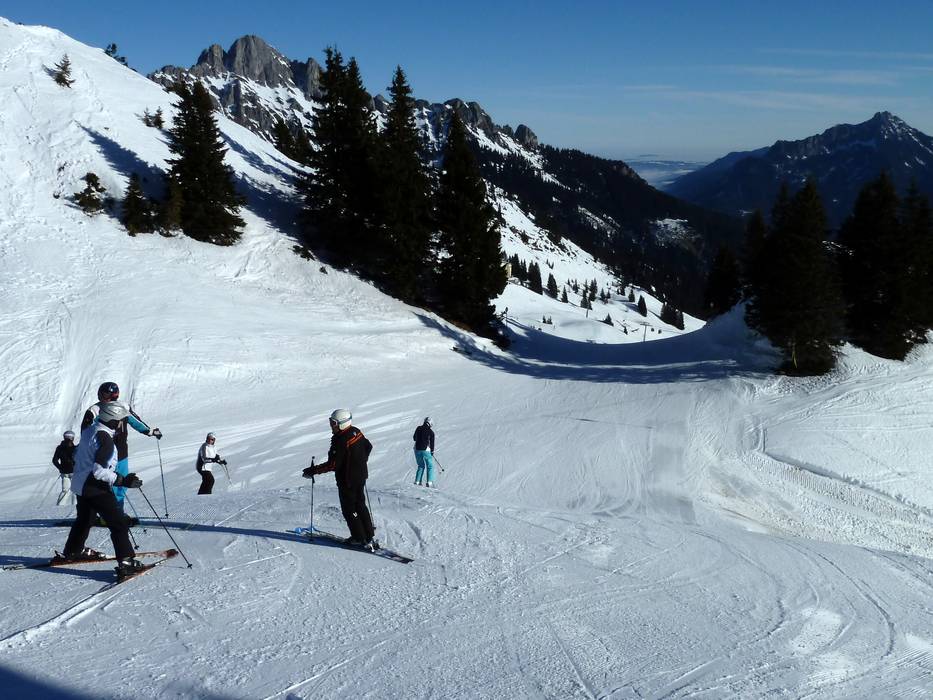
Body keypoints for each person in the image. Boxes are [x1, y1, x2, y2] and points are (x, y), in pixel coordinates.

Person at [59, 401, 146, 579]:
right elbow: (99, 471)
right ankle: (126, 562)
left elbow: (78, 454)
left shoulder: (90, 430)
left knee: (85, 519)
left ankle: (73, 551)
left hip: (80, 485)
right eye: (121, 420)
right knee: (118, 523)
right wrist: (123, 480)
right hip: (95, 488)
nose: (122, 423)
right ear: (114, 420)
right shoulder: (106, 439)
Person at [82, 381, 161, 518]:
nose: (106, 397)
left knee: (121, 484)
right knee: (105, 482)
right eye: (104, 394)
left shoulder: (122, 407)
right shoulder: (94, 410)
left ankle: (117, 513)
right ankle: (105, 514)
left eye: (108, 394)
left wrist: (150, 431)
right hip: (104, 453)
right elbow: (85, 431)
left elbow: (135, 421)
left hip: (121, 453)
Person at [302, 409, 377, 550]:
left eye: (333, 423)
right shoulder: (355, 431)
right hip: (360, 476)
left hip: (347, 480)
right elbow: (368, 446)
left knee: (350, 509)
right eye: (330, 422)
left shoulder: (341, 440)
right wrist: (360, 462)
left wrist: (313, 471)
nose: (331, 425)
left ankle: (358, 538)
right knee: (360, 506)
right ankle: (368, 536)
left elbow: (333, 464)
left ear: (342, 423)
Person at [52, 430, 77, 506]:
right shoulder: (75, 448)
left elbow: (54, 460)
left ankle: (59, 507)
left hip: (64, 473)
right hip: (74, 472)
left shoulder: (59, 448)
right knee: (75, 491)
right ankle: (75, 507)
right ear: (72, 438)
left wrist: (60, 468)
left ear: (64, 437)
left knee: (65, 490)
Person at [413, 417, 436, 487]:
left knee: (421, 465)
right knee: (430, 466)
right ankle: (429, 482)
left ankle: (417, 482)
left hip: (417, 449)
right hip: (426, 450)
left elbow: (414, 438)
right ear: (430, 423)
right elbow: (432, 443)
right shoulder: (431, 432)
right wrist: (432, 451)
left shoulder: (418, 428)